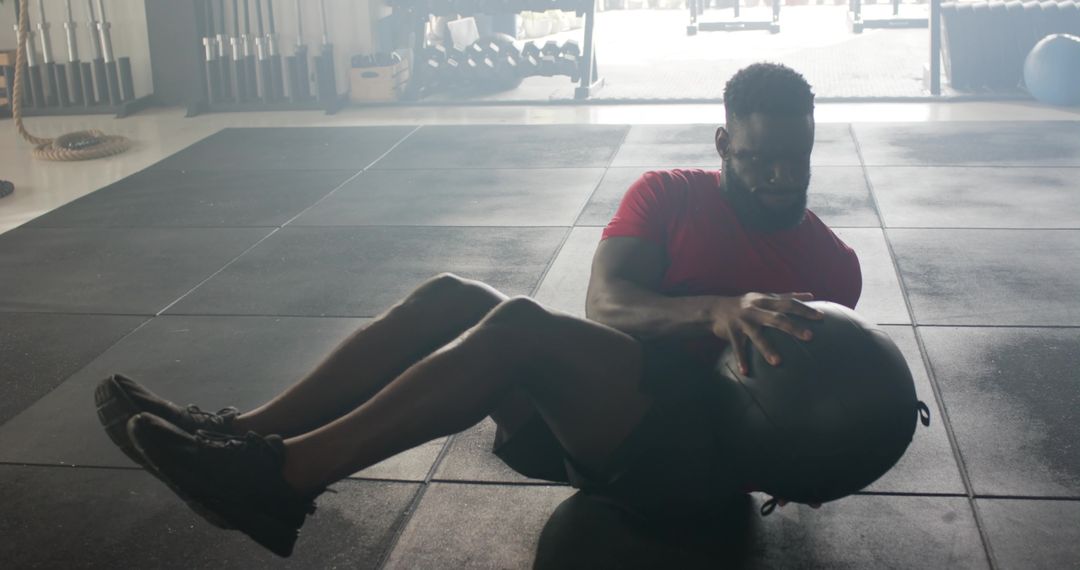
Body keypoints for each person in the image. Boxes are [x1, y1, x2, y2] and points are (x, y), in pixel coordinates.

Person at [95, 62, 860, 558]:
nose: (779, 176)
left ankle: (281, 482)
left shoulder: (832, 266)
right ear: (724, 142)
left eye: (796, 158)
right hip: (606, 412)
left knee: (522, 322)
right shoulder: (666, 195)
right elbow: (608, 304)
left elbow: (818, 403)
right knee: (453, 296)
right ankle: (242, 435)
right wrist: (718, 310)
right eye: (758, 158)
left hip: (693, 459)